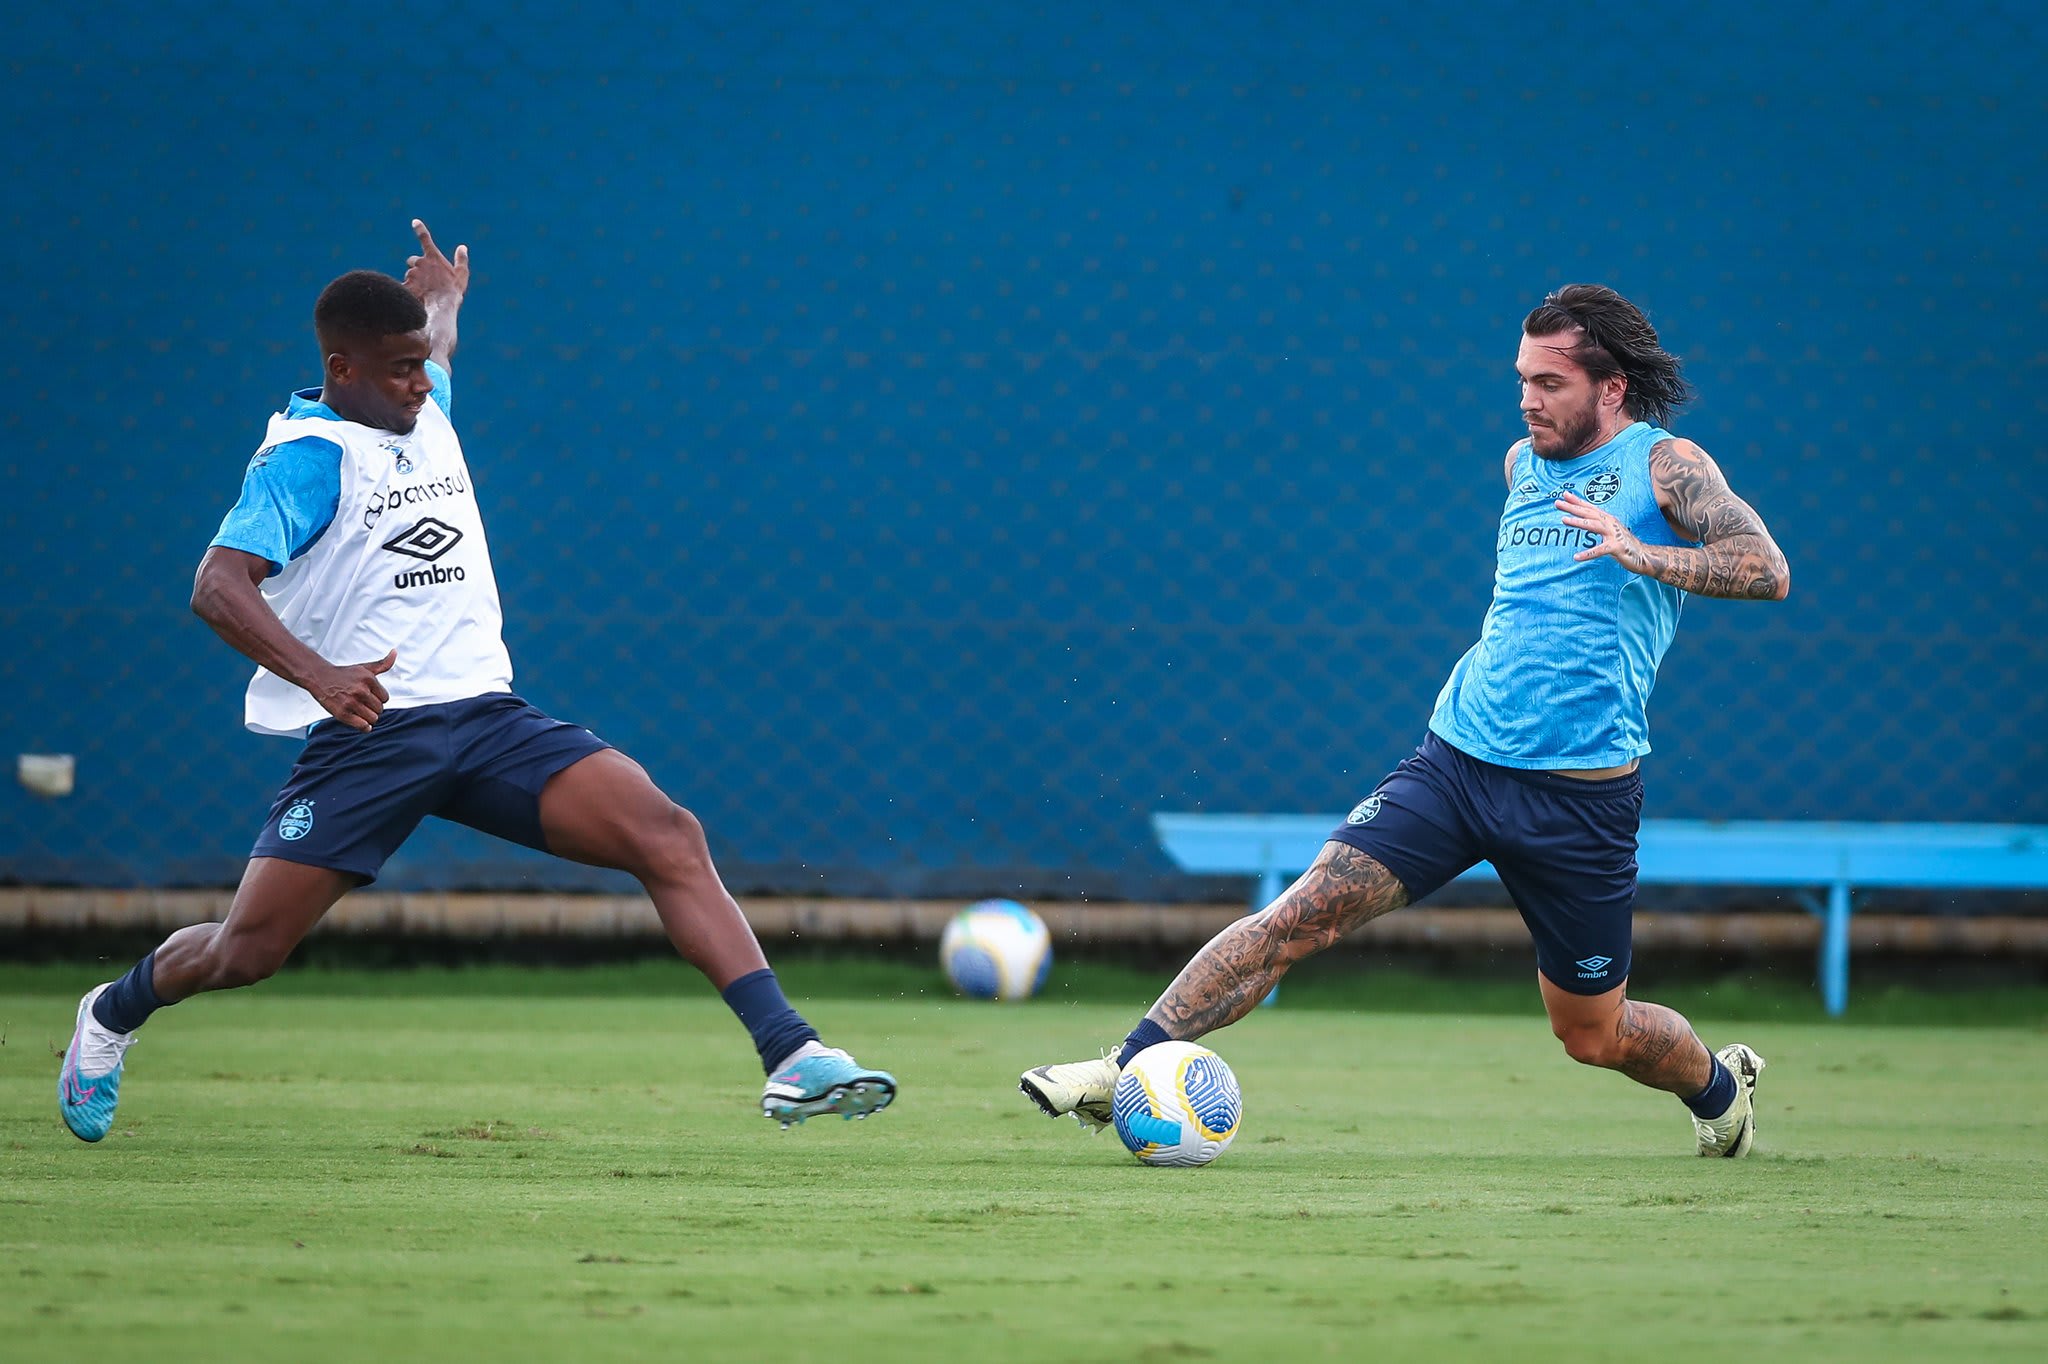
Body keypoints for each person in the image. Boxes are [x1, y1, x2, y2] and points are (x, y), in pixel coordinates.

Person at [59, 221, 894, 1142]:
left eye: (423, 364)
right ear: (342, 369)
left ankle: (792, 1054)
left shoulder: (421, 405)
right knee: (245, 952)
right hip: (371, 735)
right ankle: (112, 1011)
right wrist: (321, 676)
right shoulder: (306, 459)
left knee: (667, 832)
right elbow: (216, 586)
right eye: (400, 368)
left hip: (488, 720)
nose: (421, 382)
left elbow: (435, 352)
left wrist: (443, 307)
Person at [1022, 284, 1790, 1157]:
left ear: (1610, 388)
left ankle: (1721, 1093)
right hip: (1457, 765)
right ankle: (1124, 1064)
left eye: (1550, 382)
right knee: (1298, 916)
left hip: (1580, 804)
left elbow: (1765, 568)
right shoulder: (1521, 463)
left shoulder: (1666, 467)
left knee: (1593, 1034)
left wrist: (1639, 551)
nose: (1528, 399)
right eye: (1521, 379)